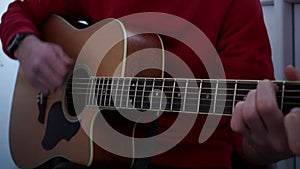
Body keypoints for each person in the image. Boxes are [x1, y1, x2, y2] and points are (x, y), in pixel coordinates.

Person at [0, 0, 298, 169]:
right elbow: (20, 11)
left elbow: (245, 140)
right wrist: (26, 46)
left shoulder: (236, 5)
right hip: (90, 158)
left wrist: (267, 146)